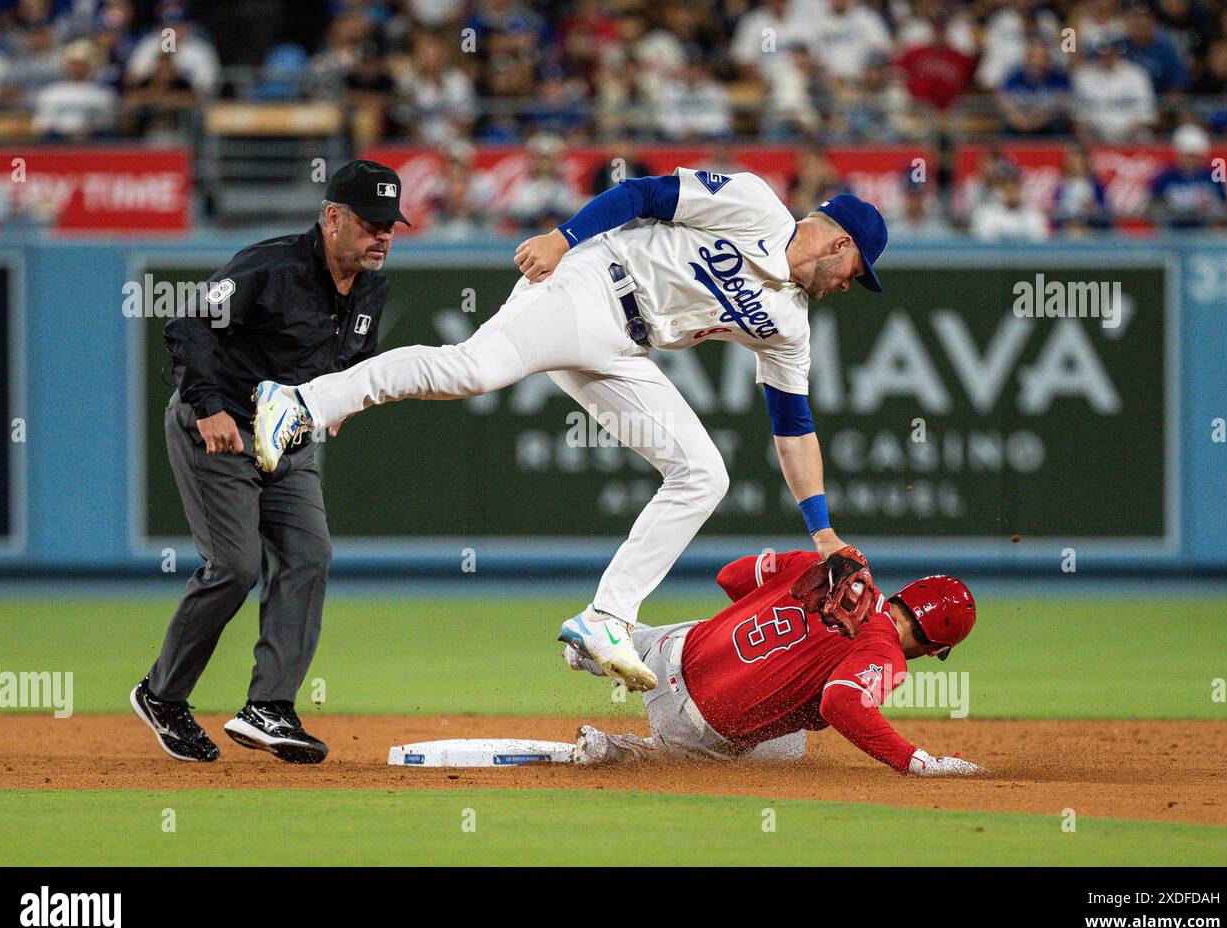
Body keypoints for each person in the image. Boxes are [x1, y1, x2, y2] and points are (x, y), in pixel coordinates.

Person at [252, 167, 887, 695]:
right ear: (839, 244)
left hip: (624, 349)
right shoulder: (753, 205)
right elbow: (643, 194)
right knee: (476, 367)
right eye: (856, 270)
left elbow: (793, 426)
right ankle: (301, 399)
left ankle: (606, 618)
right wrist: (564, 236)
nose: (848, 285)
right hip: (590, 280)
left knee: (703, 474)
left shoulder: (789, 324)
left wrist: (823, 531)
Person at [132, 160, 408, 764]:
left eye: (390, 224)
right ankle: (163, 695)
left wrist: (339, 400)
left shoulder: (370, 287)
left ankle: (270, 707)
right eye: (370, 223)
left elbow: (348, 361)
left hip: (289, 439)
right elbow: (189, 325)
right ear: (332, 218)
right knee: (234, 565)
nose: (382, 235)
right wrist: (206, 407)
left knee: (309, 554)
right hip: (222, 429)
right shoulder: (272, 266)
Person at [567, 547, 982, 777]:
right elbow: (839, 703)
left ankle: (598, 645)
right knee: (788, 748)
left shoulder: (820, 567)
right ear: (934, 648)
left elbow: (729, 576)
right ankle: (615, 751)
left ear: (903, 595)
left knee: (696, 637)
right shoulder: (886, 653)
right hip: (696, 725)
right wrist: (913, 760)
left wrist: (772, 608)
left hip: (672, 649)